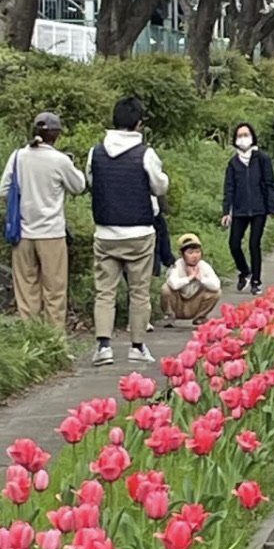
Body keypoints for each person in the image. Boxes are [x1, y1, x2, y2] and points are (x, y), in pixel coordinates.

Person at [86, 95, 169, 365]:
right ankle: (136, 346)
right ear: (139, 123)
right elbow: (159, 187)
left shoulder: (95, 152)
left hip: (105, 232)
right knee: (139, 291)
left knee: (105, 291)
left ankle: (103, 347)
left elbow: (90, 181)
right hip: (139, 233)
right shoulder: (146, 154)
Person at [0, 110, 85, 331]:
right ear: (56, 135)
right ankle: (54, 342)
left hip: (23, 234)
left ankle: (31, 339)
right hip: (51, 234)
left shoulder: (18, 156)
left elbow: (3, 190)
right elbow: (79, 186)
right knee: (54, 291)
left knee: (26, 291)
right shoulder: (59, 160)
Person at [221, 123, 274, 296]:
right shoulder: (233, 163)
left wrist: (273, 207)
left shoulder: (262, 158)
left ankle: (256, 280)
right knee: (233, 243)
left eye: (246, 134)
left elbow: (270, 183)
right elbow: (229, 188)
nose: (243, 138)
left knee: (254, 244)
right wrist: (227, 211)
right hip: (240, 209)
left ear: (253, 137)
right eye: (240, 135)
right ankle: (244, 271)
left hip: (259, 208)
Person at [160, 232, 222, 326]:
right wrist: (189, 278)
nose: (195, 256)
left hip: (195, 303)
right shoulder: (177, 265)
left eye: (197, 252)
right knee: (166, 288)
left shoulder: (203, 266)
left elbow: (216, 285)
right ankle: (169, 316)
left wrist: (200, 279)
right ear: (182, 254)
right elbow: (173, 283)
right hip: (178, 303)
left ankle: (200, 317)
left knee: (216, 292)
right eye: (190, 253)